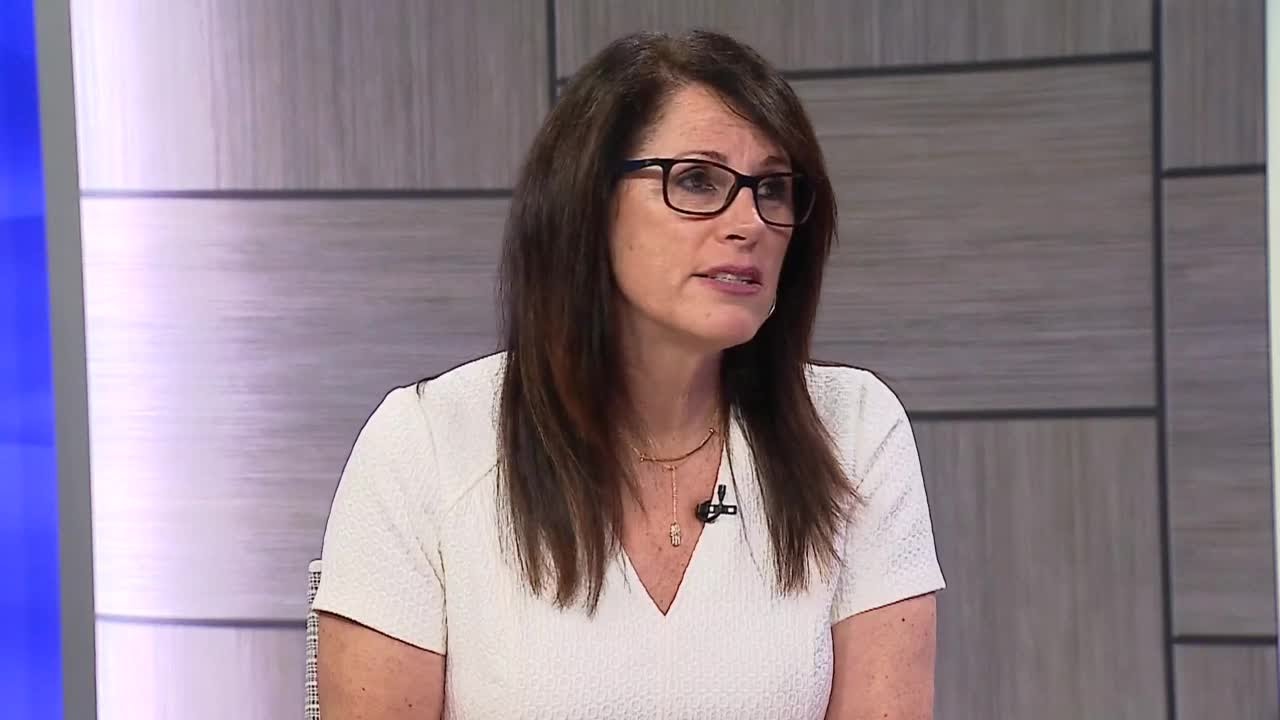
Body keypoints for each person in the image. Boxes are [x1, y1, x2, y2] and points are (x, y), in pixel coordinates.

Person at [313, 29, 945, 719]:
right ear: (588, 201)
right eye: (697, 180)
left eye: (773, 188)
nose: (750, 222)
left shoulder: (853, 429)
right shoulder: (426, 444)